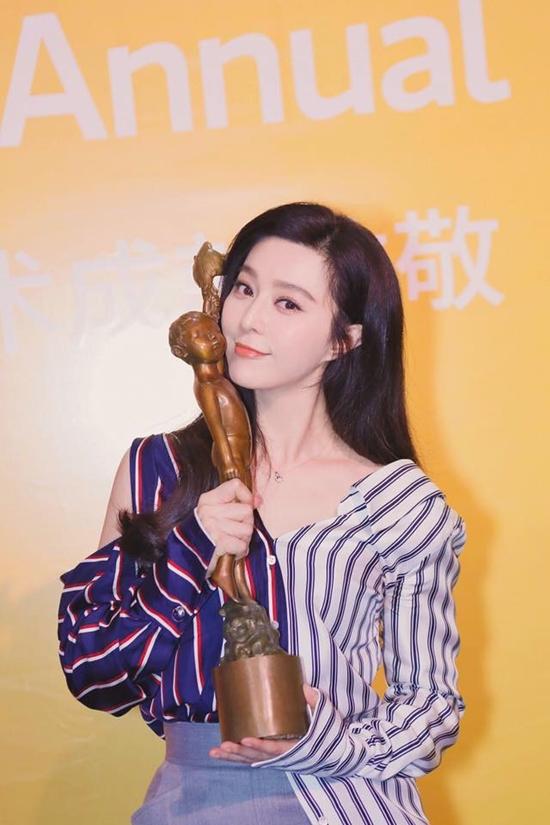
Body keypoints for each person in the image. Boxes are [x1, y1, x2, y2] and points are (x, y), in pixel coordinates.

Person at [58, 202, 467, 825]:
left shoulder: (399, 504)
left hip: (342, 802)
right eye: (244, 288)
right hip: (189, 799)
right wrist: (192, 546)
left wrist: (319, 740)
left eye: (288, 303)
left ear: (345, 339)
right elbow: (94, 671)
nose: (248, 318)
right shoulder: (157, 469)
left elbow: (431, 710)